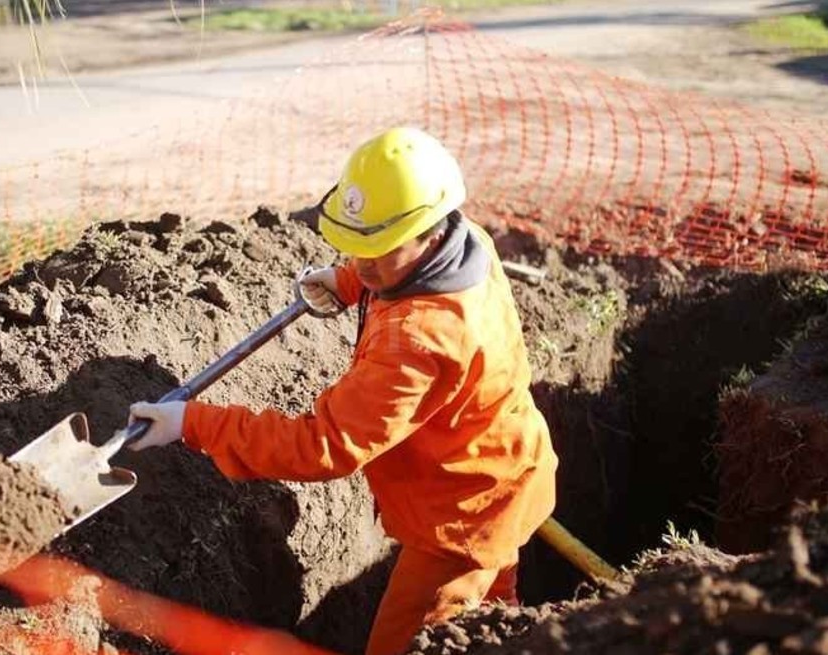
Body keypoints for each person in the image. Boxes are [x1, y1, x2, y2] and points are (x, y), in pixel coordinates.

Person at [127, 126, 558, 655]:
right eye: (355, 247)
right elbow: (389, 269)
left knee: (415, 646)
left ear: (427, 232)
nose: (365, 262)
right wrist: (349, 280)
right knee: (496, 621)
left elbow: (323, 445)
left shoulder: (420, 340)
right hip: (503, 470)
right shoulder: (466, 243)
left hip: (462, 516)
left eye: (377, 251)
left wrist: (191, 424)